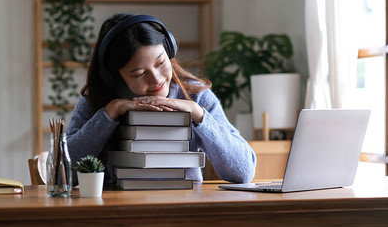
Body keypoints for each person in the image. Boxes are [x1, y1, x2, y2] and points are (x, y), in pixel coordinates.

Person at [66, 13, 256, 186]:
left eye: (161, 63)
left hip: (186, 209)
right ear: (114, 78)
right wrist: (110, 112)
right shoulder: (98, 101)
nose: (156, 79)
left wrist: (199, 115)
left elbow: (243, 172)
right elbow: (62, 174)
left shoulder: (195, 95)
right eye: (139, 74)